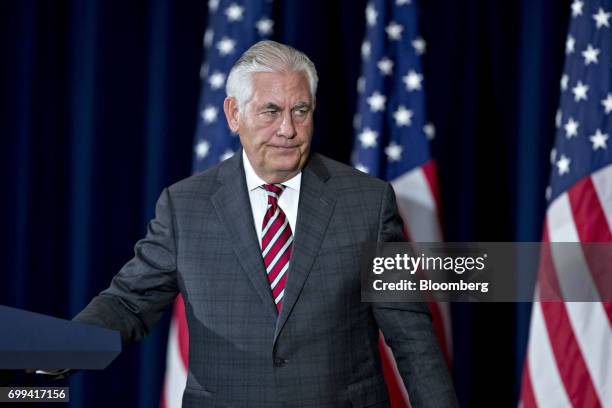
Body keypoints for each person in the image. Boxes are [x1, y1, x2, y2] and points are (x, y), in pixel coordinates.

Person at [74, 40, 458, 407]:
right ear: (233, 114)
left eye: (301, 111)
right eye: (271, 111)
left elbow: (412, 338)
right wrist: (65, 345)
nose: (288, 130)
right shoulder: (185, 206)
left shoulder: (367, 203)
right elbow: (129, 303)